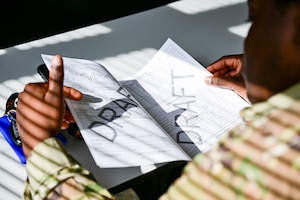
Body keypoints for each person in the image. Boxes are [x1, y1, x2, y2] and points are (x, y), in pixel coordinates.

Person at [16, 0, 300, 199]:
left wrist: (39, 144)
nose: (247, 42)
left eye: (255, 18)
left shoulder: (266, 159)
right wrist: (277, 83)